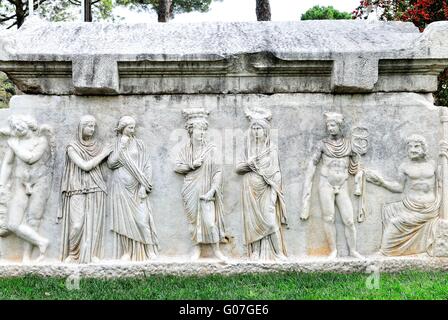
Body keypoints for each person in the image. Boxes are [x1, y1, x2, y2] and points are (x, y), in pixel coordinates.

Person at [366, 134, 442, 256]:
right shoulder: (405, 166)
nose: (412, 150)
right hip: (410, 206)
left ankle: (384, 252)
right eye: (410, 147)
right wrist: (381, 182)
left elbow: (442, 184)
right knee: (391, 216)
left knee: (395, 222)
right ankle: (385, 251)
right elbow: (399, 187)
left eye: (416, 146)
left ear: (424, 148)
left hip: (430, 208)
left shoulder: (433, 164)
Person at [300, 112, 364, 259]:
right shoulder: (322, 144)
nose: (330, 128)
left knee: (349, 219)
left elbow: (357, 164)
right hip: (326, 183)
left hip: (342, 184)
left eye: (333, 125)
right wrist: (307, 186)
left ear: (339, 126)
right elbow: (313, 163)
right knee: (328, 217)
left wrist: (359, 174)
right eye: (328, 125)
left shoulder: (349, 144)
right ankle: (333, 250)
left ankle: (353, 250)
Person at [174, 108, 227, 261]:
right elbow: (177, 167)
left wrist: (212, 191)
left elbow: (218, 172)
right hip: (190, 188)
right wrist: (192, 165)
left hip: (207, 190)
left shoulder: (212, 149)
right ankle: (196, 250)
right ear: (191, 131)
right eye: (199, 129)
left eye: (204, 130)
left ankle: (217, 250)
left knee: (210, 223)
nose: (202, 133)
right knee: (193, 221)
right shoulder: (185, 150)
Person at [236, 107, 288, 260]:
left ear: (266, 131)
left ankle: (278, 253)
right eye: (254, 128)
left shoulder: (271, 149)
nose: (256, 131)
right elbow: (238, 168)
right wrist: (248, 164)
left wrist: (274, 192)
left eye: (259, 128)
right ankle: (255, 252)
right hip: (250, 188)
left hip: (267, 188)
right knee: (253, 222)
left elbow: (277, 172)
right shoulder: (247, 148)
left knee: (270, 221)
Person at [0, 115, 54, 262]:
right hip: (20, 183)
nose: (17, 128)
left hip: (40, 183)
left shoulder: (40, 141)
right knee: (12, 223)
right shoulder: (15, 142)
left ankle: (27, 257)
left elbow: (30, 158)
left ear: (28, 123)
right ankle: (41, 242)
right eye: (14, 127)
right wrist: (1, 184)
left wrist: (14, 145)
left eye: (19, 124)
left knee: (33, 219)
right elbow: (8, 164)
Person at [59, 115, 111, 263]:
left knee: (94, 224)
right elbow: (85, 166)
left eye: (93, 126)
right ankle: (73, 254)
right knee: (77, 224)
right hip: (77, 187)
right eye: (89, 126)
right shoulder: (72, 147)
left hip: (97, 186)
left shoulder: (98, 145)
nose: (92, 129)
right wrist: (104, 154)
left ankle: (91, 254)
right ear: (81, 127)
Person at [108, 116, 159, 261]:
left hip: (137, 186)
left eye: (133, 127)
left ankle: (149, 249)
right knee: (124, 220)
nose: (133, 130)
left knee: (142, 220)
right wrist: (122, 145)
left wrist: (144, 185)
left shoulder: (139, 144)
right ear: (122, 128)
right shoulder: (116, 144)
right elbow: (111, 163)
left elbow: (147, 165)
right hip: (120, 187)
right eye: (130, 127)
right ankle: (127, 252)